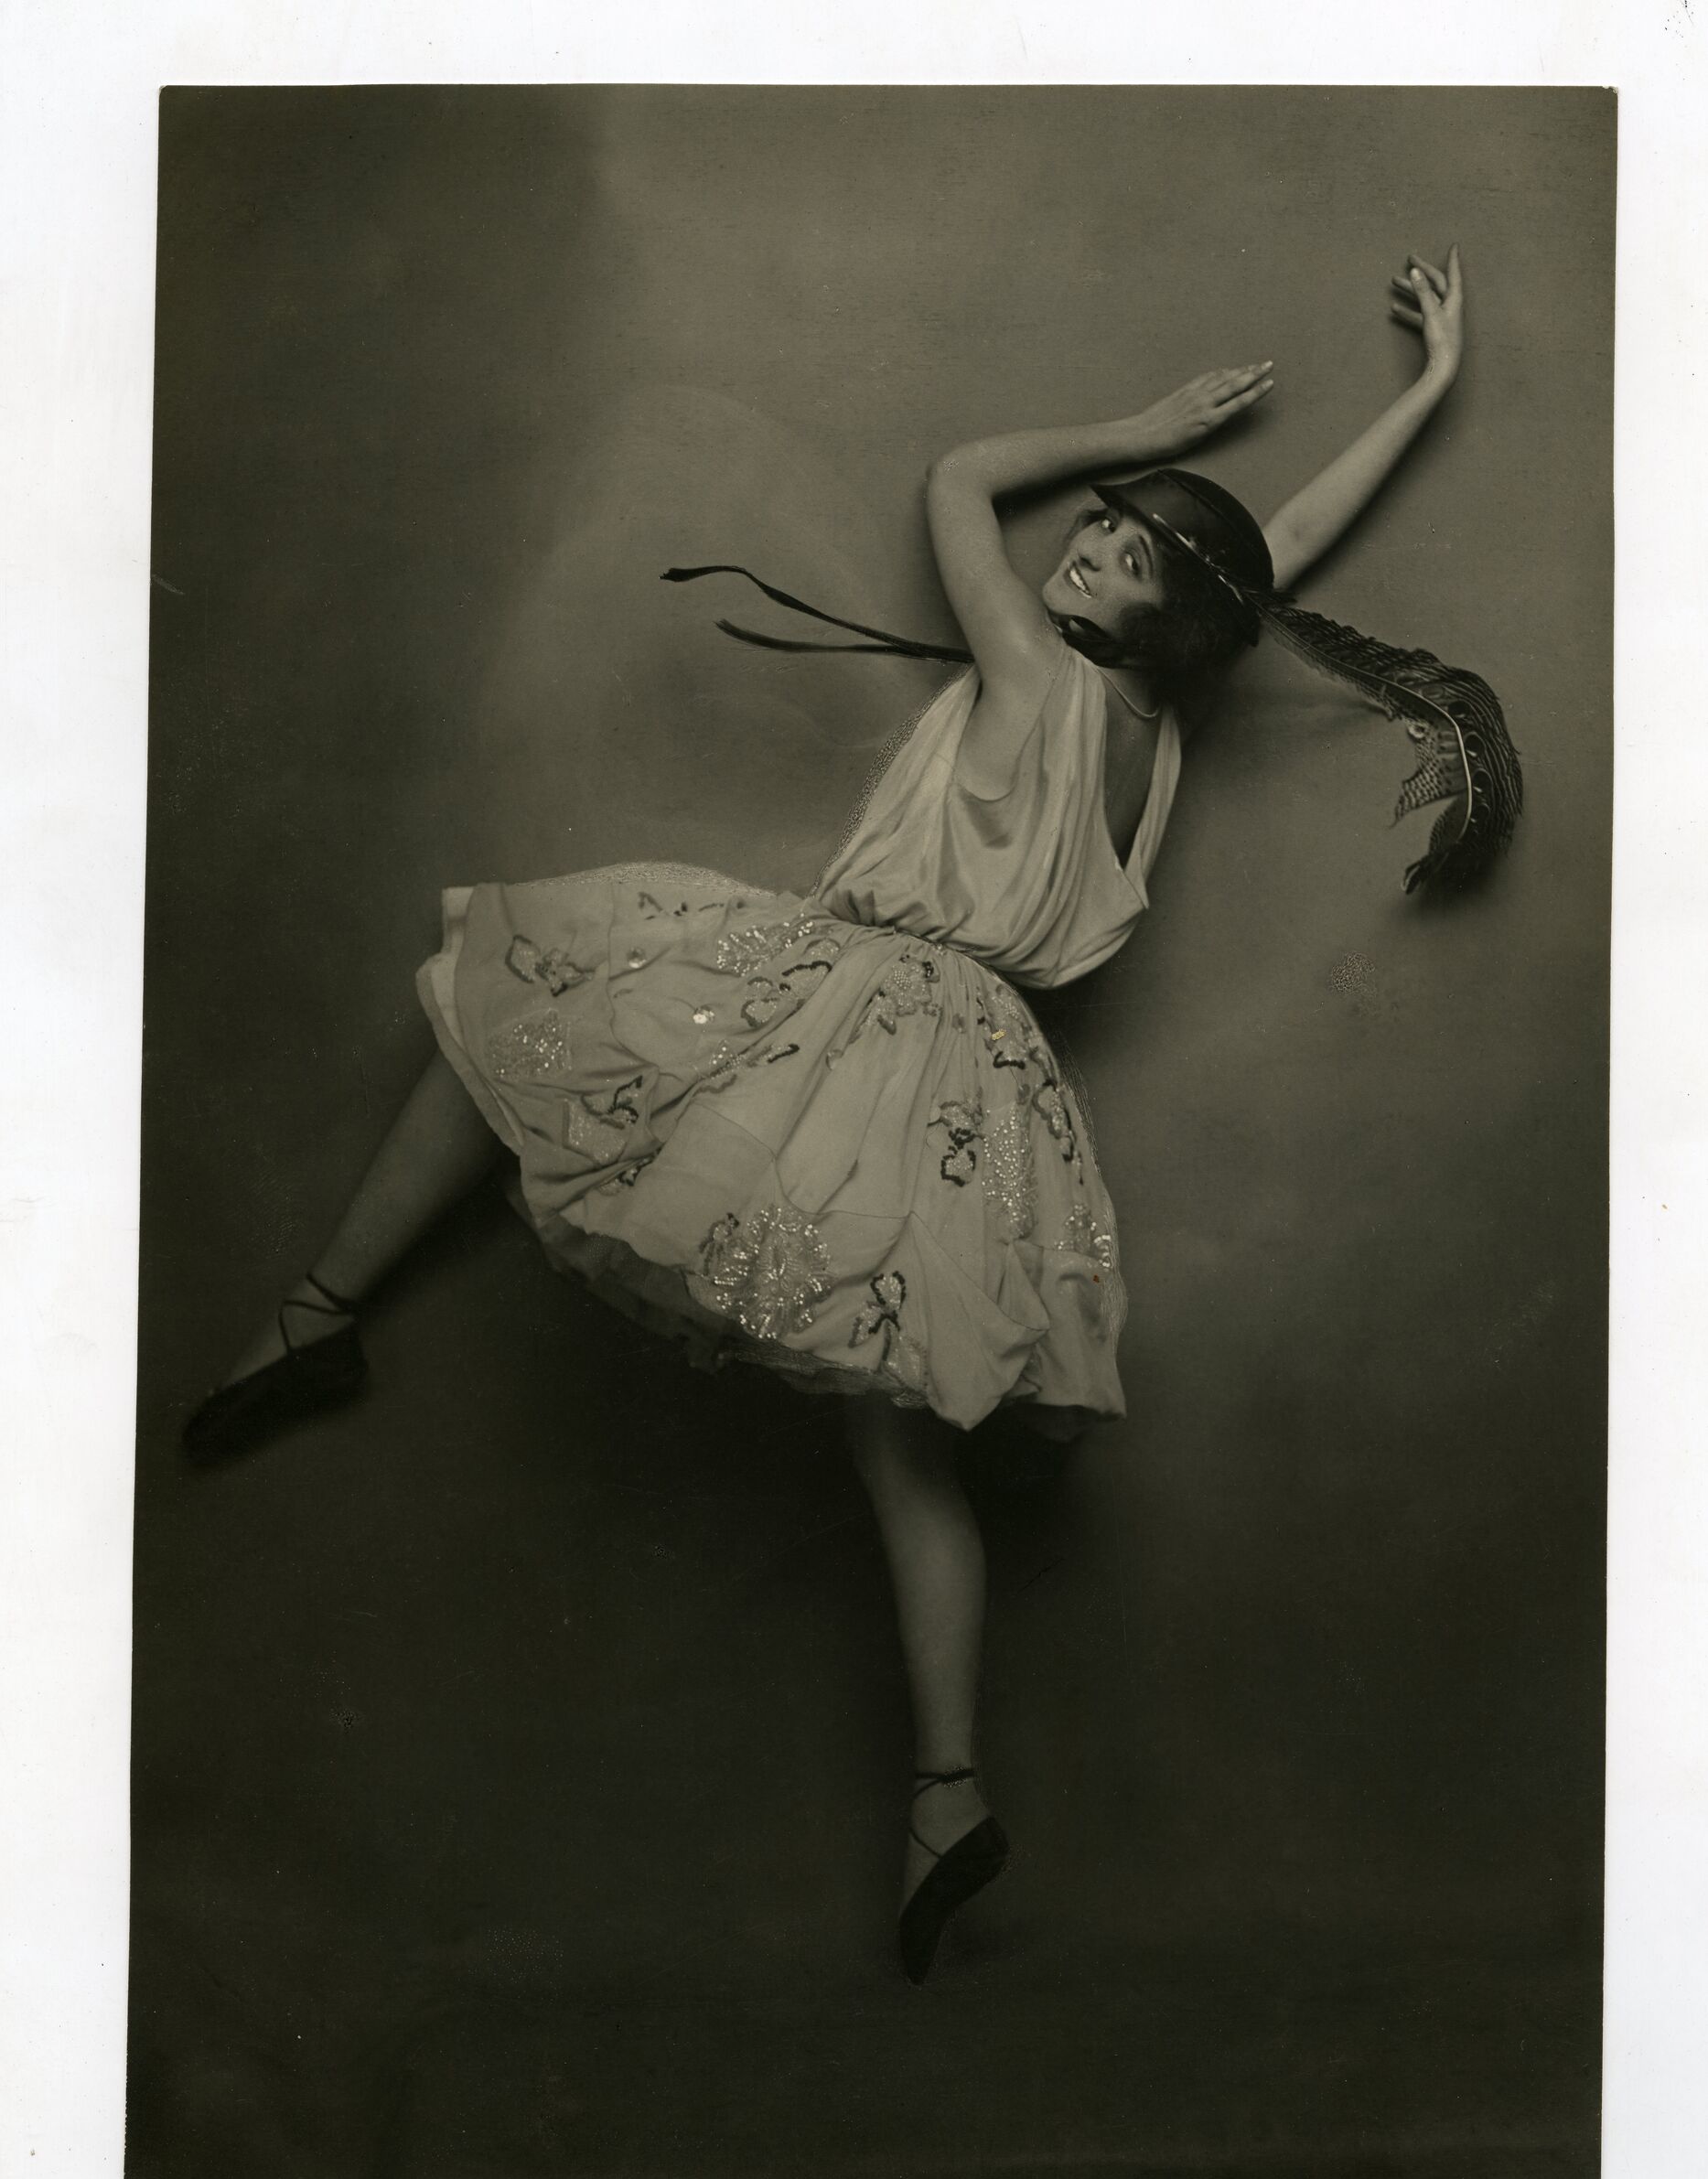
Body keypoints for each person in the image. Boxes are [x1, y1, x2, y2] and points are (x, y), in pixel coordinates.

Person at [182, 247, 1518, 1984]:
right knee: (899, 1430)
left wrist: (1139, 429)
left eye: (1119, 555)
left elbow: (959, 477)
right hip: (984, 1081)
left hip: (859, 1001)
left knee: (524, 1002)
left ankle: (319, 1311)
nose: (1085, 547)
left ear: (1153, 622)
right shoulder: (1158, 727)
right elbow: (1282, 554)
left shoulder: (1037, 673)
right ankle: (948, 1794)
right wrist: (1425, 392)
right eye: (1102, 529)